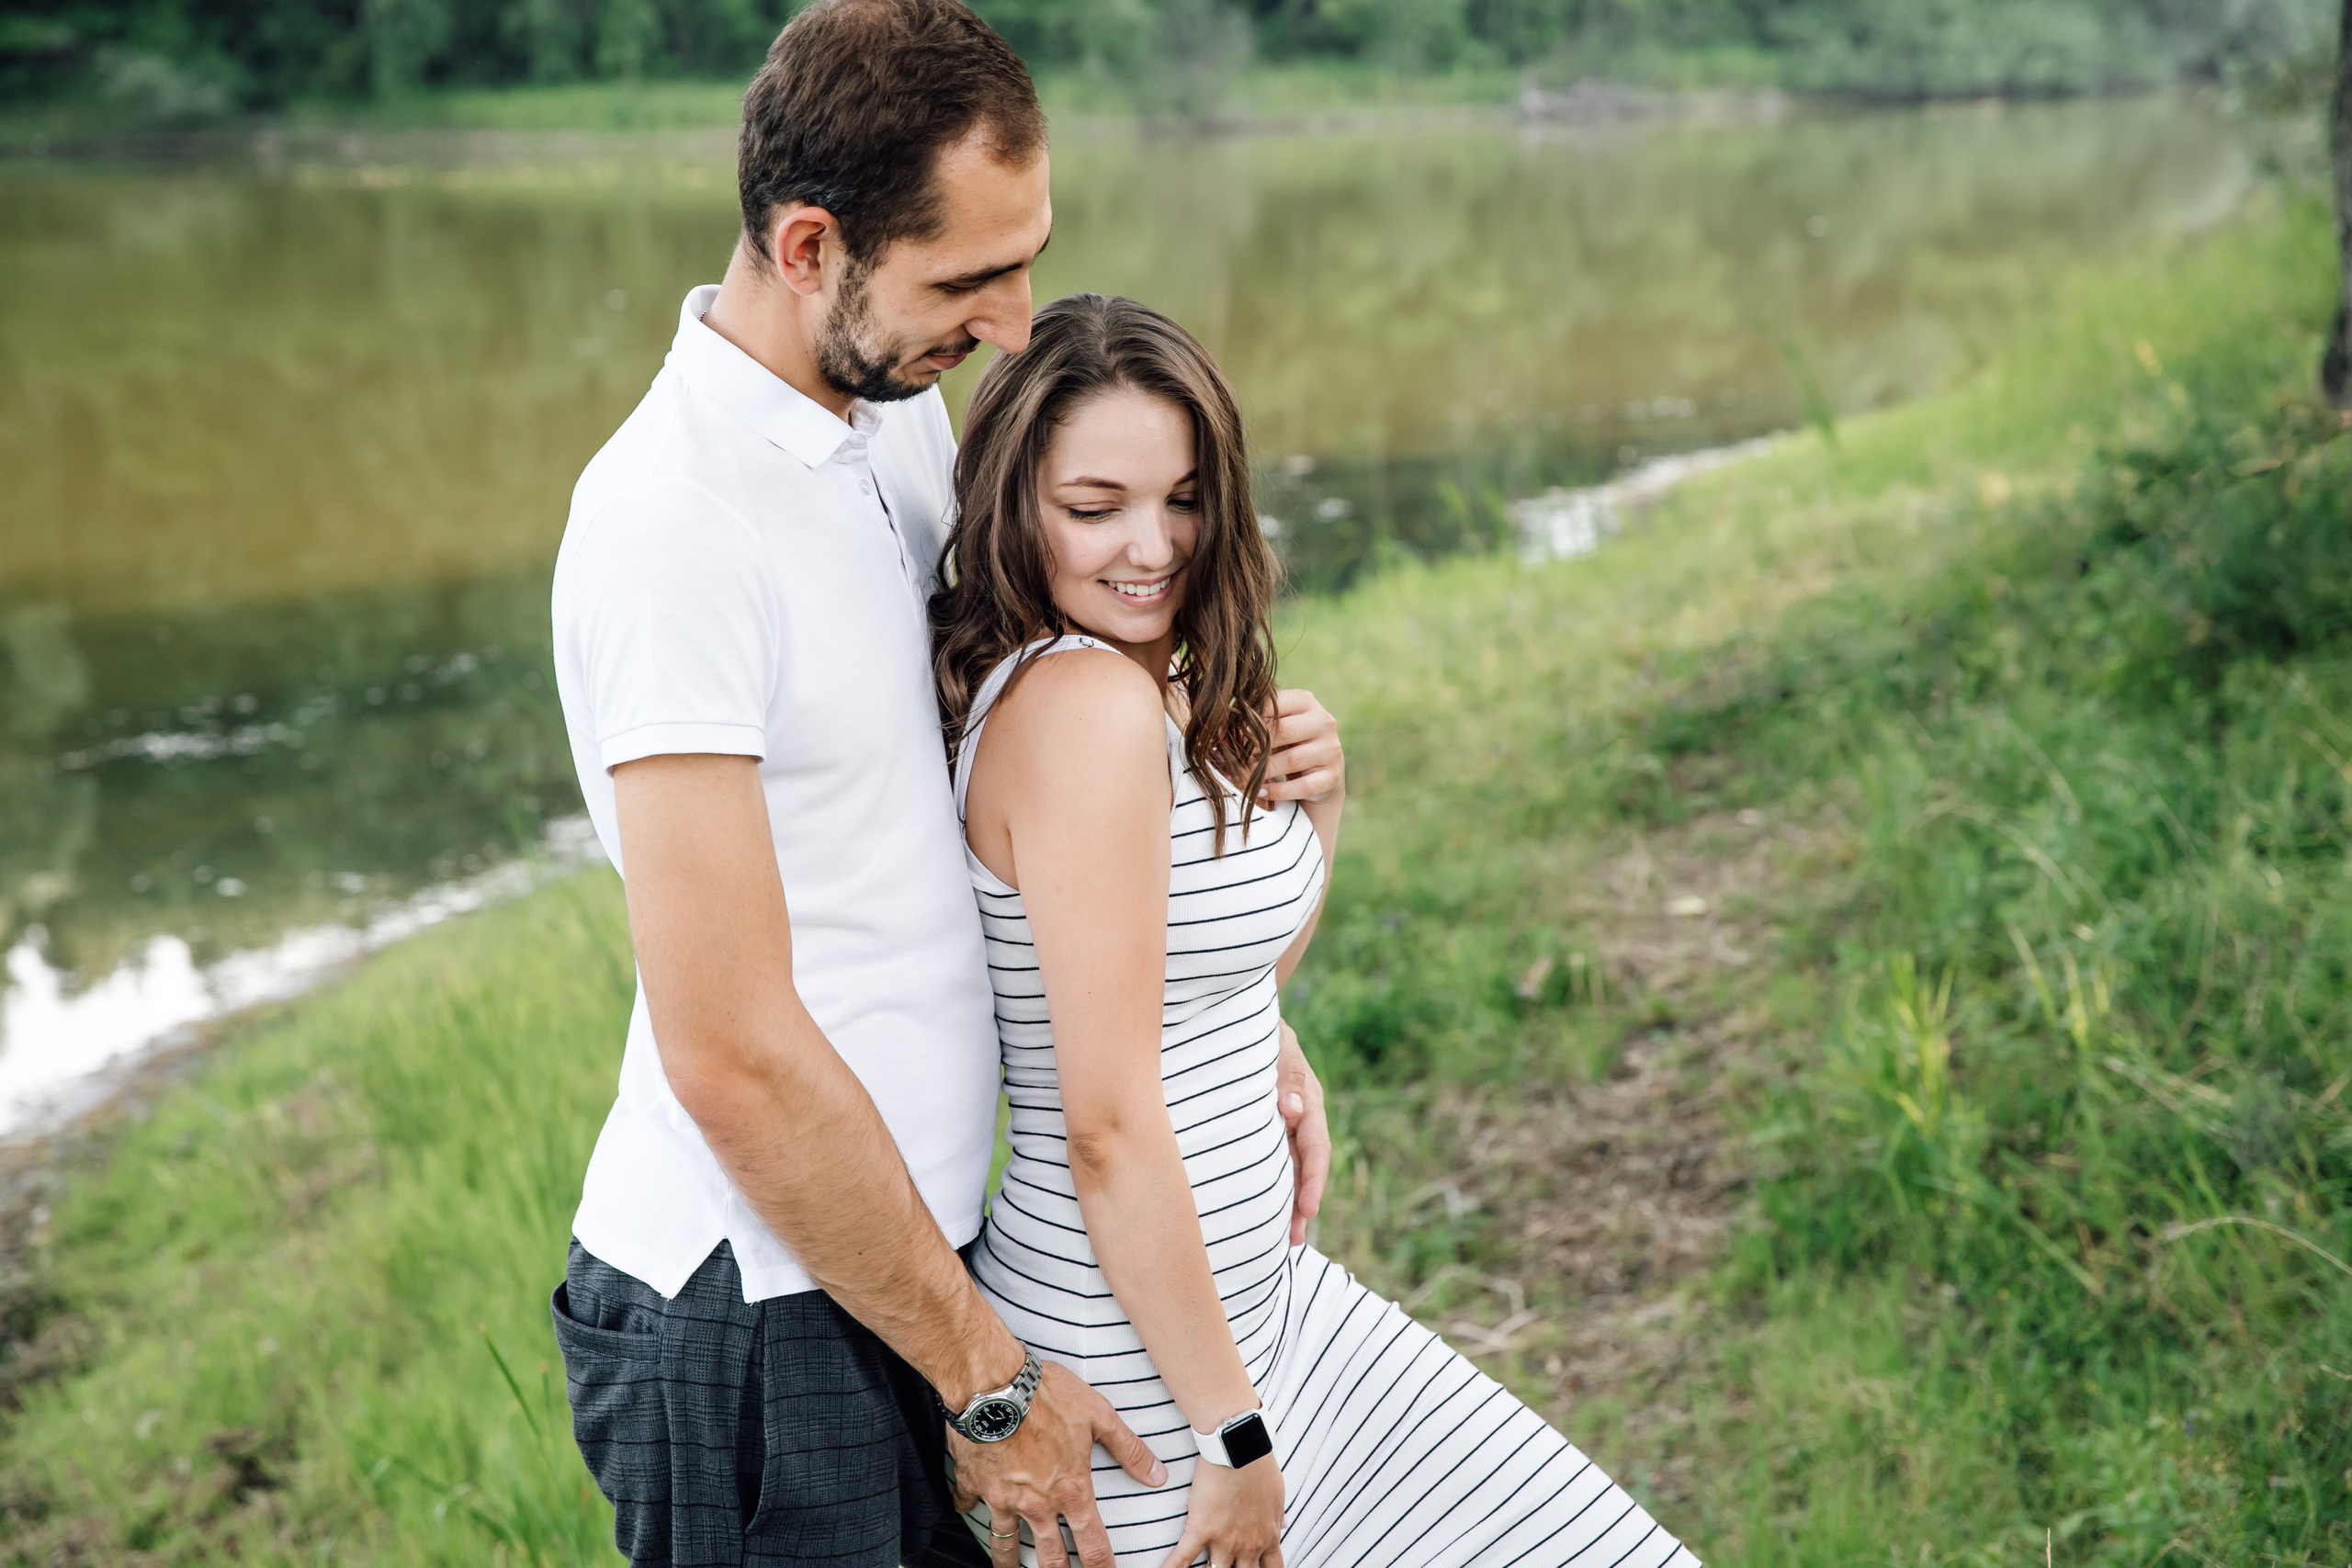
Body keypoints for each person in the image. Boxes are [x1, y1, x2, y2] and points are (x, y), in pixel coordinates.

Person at [545, 4, 1341, 1564]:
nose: (1009, 322)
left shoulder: (889, 424)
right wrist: (983, 1376)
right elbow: (727, 1050)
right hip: (761, 1306)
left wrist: (1239, 1004)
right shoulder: (672, 524)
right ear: (808, 247)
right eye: (968, 278)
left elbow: (1010, 780)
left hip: (918, 1260)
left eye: (1026, 259)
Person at [931, 295, 1704, 1568]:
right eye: (1096, 504)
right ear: (1015, 505)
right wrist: (1232, 1438)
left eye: (1183, 498)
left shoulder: (1151, 684)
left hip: (1274, 1315)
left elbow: (1219, 986)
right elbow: (1106, 1131)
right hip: (1145, 1381)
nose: (1152, 544)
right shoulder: (1079, 711)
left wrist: (1319, 814)